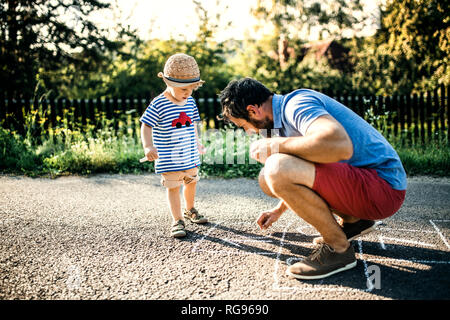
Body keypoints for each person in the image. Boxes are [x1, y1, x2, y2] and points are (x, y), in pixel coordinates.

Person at [219, 77, 407, 279]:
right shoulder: (278, 123)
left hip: (382, 188)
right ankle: (355, 221)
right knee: (268, 176)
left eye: (244, 126)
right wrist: (279, 209)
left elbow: (339, 145)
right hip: (368, 185)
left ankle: (338, 249)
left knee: (274, 168)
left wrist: (275, 146)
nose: (249, 132)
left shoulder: (296, 104)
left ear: (253, 110)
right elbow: (309, 173)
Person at [140, 53, 208, 238]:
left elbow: (193, 124)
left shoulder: (191, 102)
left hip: (189, 155)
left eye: (191, 89)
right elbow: (146, 125)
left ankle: (190, 209)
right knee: (173, 187)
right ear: (168, 83)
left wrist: (197, 142)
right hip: (169, 157)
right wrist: (148, 146)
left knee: (191, 182)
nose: (187, 93)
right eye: (183, 89)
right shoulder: (159, 103)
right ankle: (177, 220)